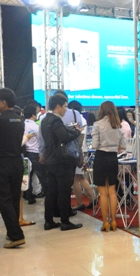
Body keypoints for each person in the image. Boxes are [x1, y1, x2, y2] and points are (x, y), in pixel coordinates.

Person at [0, 88, 26, 248]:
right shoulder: (19, 120)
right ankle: (12, 232)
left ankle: (16, 235)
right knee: (14, 198)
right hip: (17, 162)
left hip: (1, 163)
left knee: (3, 200)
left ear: (3, 102)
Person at [41, 95, 83, 231]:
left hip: (50, 159)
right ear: (58, 106)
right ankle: (65, 221)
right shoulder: (56, 121)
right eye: (65, 107)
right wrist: (77, 132)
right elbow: (64, 137)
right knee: (64, 191)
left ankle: (48, 221)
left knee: (51, 192)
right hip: (61, 161)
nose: (66, 110)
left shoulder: (45, 120)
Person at [92, 101, 126, 232]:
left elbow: (94, 145)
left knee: (103, 193)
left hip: (101, 157)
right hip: (113, 158)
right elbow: (123, 146)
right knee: (112, 191)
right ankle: (114, 221)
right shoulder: (118, 126)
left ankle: (105, 222)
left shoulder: (97, 125)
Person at [68, 100, 94, 211]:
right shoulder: (81, 118)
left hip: (78, 152)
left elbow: (80, 138)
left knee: (75, 178)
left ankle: (80, 202)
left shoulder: (78, 119)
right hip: (81, 151)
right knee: (80, 177)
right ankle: (92, 198)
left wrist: (77, 153)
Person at [22, 104, 47, 205]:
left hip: (25, 153)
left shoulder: (22, 125)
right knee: (42, 176)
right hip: (36, 153)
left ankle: (29, 197)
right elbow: (41, 141)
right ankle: (48, 195)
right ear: (33, 114)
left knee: (27, 176)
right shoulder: (37, 126)